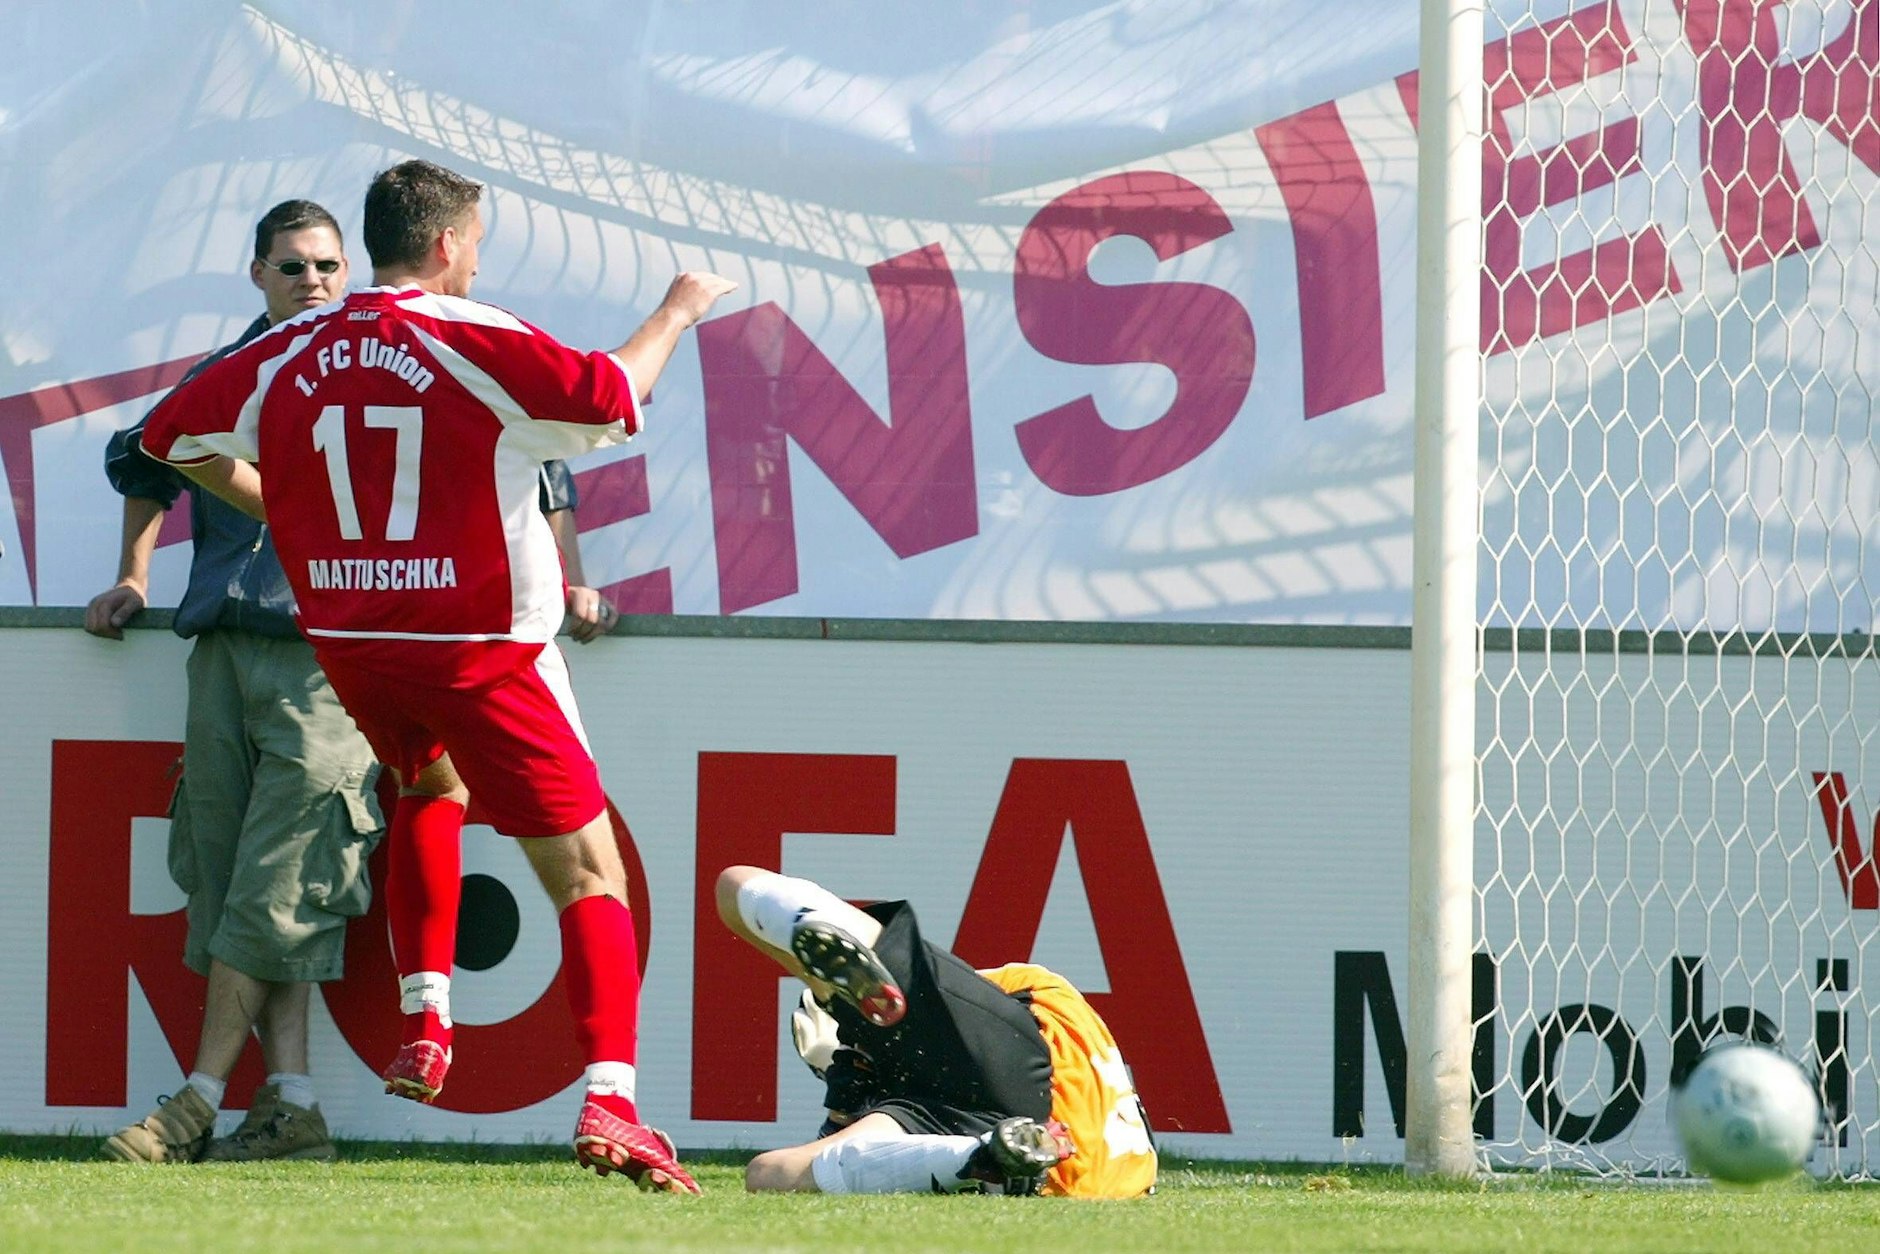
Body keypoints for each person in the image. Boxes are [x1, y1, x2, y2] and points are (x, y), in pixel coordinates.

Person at [139, 159, 735, 1193]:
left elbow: (169, 438)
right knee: (592, 873)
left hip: (356, 647)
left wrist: (288, 507)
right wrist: (677, 311)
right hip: (476, 647)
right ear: (451, 243)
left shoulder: (292, 343)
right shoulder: (468, 334)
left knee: (429, 788)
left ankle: (427, 1019)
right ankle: (611, 1102)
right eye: (479, 242)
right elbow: (612, 395)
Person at [88, 200, 378, 1165]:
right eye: (292, 266)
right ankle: (292, 1105)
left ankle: (197, 1099)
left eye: (329, 265)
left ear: (354, 270)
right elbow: (140, 458)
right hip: (219, 648)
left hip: (329, 655)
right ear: (257, 273)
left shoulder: (385, 370)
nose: (313, 282)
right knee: (227, 878)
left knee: (283, 874)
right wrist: (135, 573)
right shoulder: (224, 376)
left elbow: (527, 478)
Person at [714, 865, 1159, 1198]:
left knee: (733, 888)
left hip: (1010, 1108)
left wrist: (845, 1087)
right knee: (767, 1174)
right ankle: (988, 1158)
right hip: (1024, 1112)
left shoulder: (1012, 996)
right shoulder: (1011, 1006)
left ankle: (980, 1160)